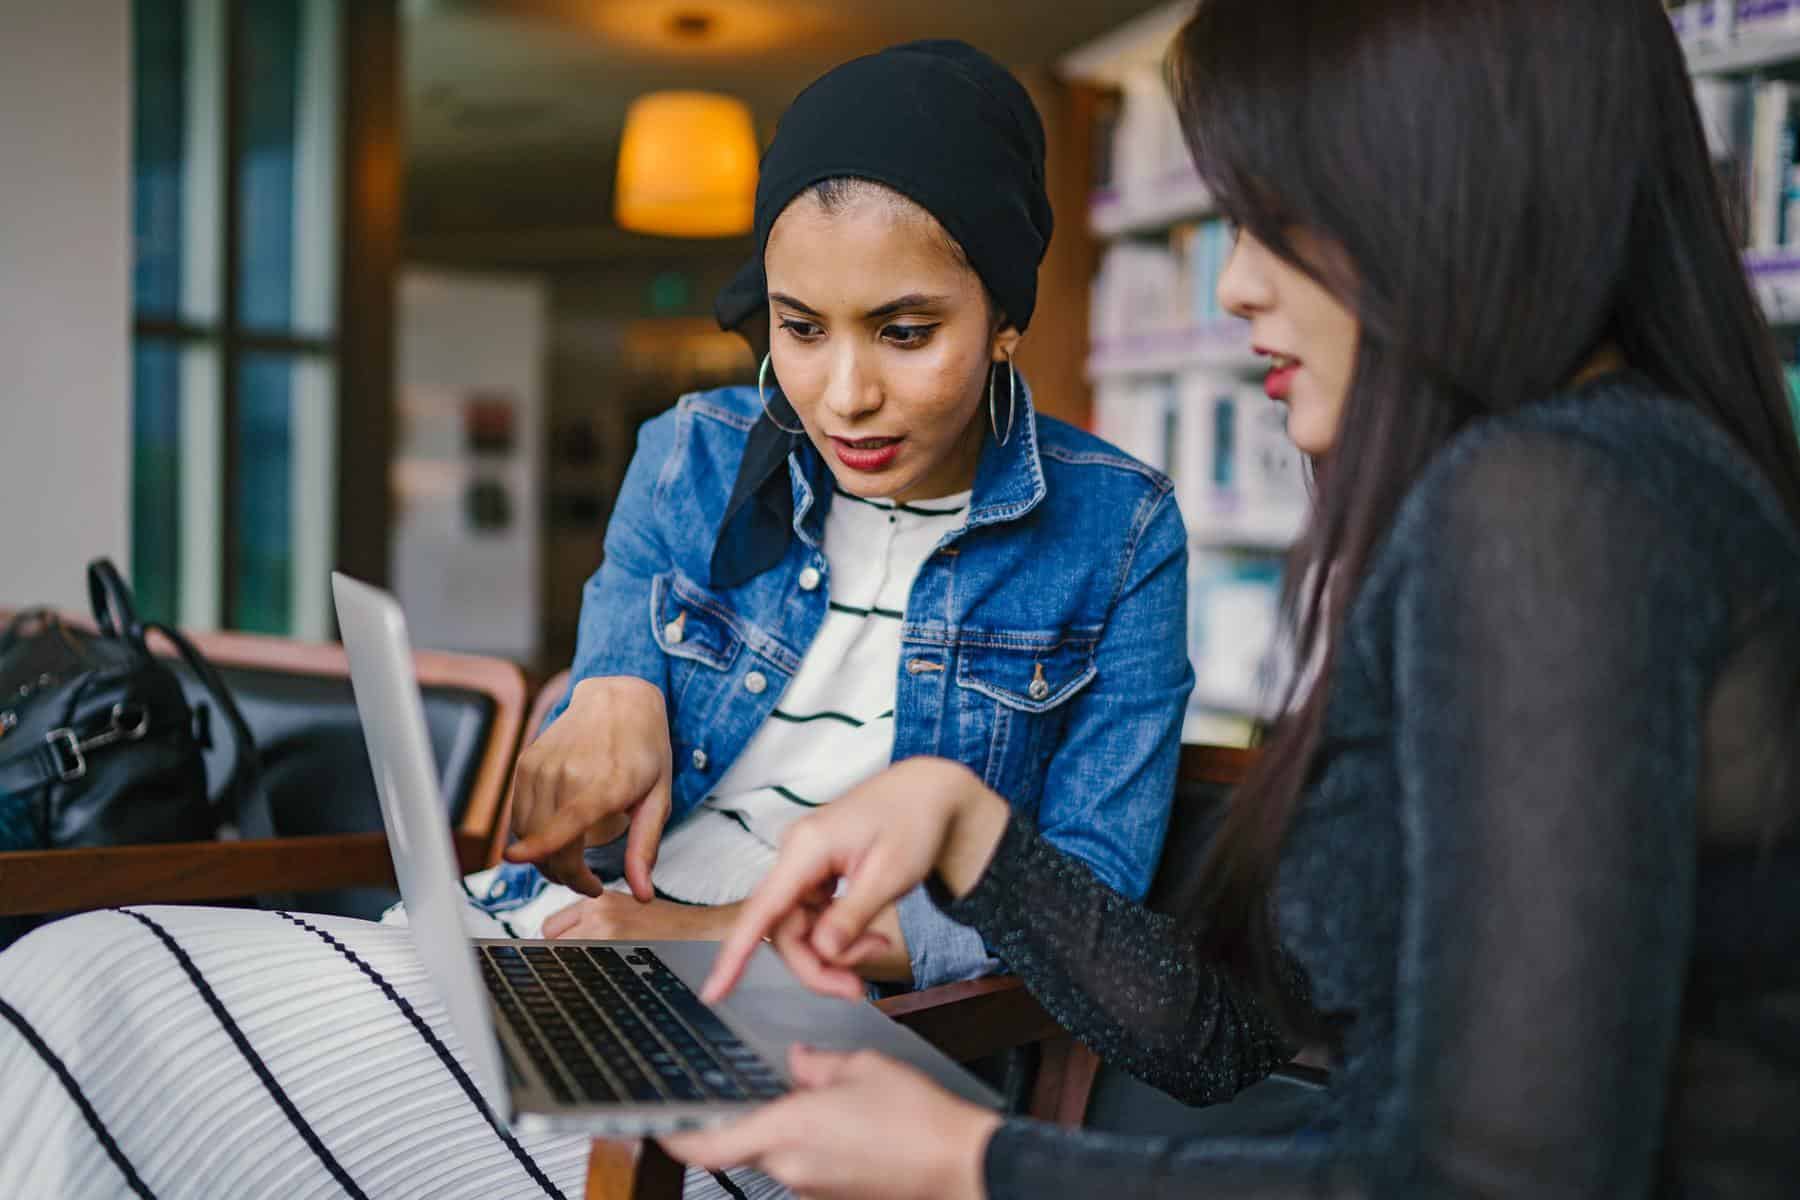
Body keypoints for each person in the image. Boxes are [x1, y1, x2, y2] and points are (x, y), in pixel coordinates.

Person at [0, 41, 1197, 1200]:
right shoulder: (694, 452)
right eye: (798, 327)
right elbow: (598, 710)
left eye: (904, 331)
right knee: (71, 974)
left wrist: (691, 929)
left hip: (813, 1046)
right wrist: (609, 684)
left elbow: (1075, 912)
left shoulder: (1121, 534)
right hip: (553, 951)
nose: (844, 394)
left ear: (1005, 318)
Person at [665, 1, 1800, 1196]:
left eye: (1273, 222)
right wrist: (971, 831)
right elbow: (1224, 1044)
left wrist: (971, 1164)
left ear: (1443, 186)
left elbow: (1497, 1181)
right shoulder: (1589, 483)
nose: (1240, 286)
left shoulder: (1553, 507)